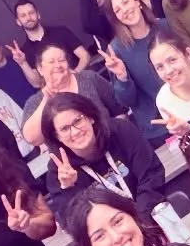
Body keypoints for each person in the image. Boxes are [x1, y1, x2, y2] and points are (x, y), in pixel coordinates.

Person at [38, 91, 165, 226]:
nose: (75, 131)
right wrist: (68, 188)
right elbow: (75, 224)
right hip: (113, 238)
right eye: (64, 129)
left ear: (90, 117)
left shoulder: (120, 131)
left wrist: (140, 220)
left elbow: (151, 175)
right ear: (57, 137)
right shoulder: (59, 171)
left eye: (78, 120)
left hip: (153, 219)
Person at [19, 38, 127, 147]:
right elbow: (32, 139)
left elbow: (119, 109)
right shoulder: (35, 102)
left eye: (61, 60)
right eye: (51, 62)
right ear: (40, 69)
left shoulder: (89, 78)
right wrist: (45, 101)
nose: (58, 65)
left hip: (113, 146)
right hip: (75, 162)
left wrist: (117, 138)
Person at [104, 0, 166, 142]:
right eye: (117, 10)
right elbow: (126, 101)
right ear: (116, 19)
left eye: (125, 3)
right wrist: (122, 77)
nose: (124, 10)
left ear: (137, 1)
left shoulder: (165, 26)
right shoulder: (116, 50)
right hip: (159, 129)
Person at [11, 0, 89, 73]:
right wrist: (23, 63)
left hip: (79, 81)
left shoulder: (61, 32)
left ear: (38, 15)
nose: (28, 18)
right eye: (23, 15)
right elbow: (36, 83)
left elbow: (85, 56)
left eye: (31, 13)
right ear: (18, 22)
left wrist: (75, 75)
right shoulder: (24, 51)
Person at [0, 35, 37, 108]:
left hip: (39, 102)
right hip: (21, 115)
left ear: (0, 48)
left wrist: (23, 62)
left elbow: (38, 83)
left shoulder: (19, 59)